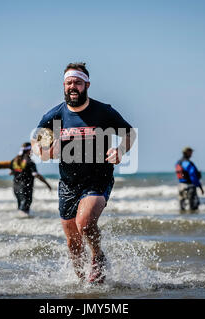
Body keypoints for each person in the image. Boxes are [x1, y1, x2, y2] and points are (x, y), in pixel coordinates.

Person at [31, 62, 136, 284]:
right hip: (68, 183)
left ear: (86, 84)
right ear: (63, 85)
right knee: (73, 242)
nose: (73, 86)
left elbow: (129, 133)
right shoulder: (54, 115)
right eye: (69, 82)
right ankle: (82, 285)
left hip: (98, 179)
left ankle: (98, 255)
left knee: (86, 223)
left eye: (77, 82)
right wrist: (46, 151)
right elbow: (37, 144)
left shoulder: (103, 111)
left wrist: (120, 150)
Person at [0, 142, 52, 215]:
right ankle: (23, 224)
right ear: (29, 151)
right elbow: (36, 174)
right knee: (25, 210)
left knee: (20, 207)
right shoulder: (30, 162)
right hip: (26, 188)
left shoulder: (14, 160)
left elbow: (11, 173)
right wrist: (47, 184)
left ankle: (17, 223)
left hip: (16, 188)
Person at [175, 147, 204, 211]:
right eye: (191, 152)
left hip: (180, 186)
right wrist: (200, 187)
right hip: (190, 186)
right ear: (187, 152)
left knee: (182, 206)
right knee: (193, 206)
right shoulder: (188, 163)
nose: (192, 154)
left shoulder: (178, 162)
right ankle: (192, 219)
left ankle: (183, 218)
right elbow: (193, 176)